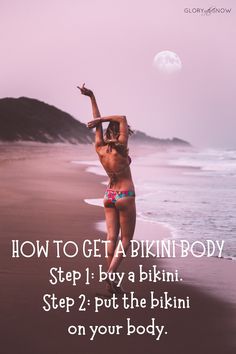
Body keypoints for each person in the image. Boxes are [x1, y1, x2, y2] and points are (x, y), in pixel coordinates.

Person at [78, 83, 136, 294]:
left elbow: (98, 128)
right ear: (120, 133)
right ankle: (111, 274)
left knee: (111, 238)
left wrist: (91, 97)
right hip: (125, 195)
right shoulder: (121, 147)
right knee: (126, 239)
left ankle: (110, 283)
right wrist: (101, 119)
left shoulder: (100, 147)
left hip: (109, 195)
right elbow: (121, 117)